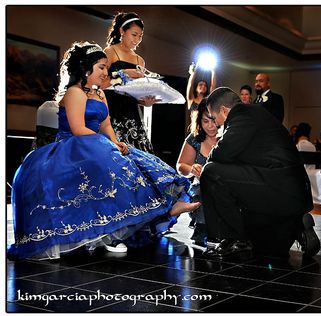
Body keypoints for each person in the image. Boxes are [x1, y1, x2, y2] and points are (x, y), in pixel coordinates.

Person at [7, 42, 200, 261]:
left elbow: (106, 126)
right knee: (109, 165)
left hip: (96, 143)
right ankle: (112, 232)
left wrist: (116, 143)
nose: (105, 73)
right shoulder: (74, 93)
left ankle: (164, 209)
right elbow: (79, 129)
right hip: (72, 146)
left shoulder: (100, 94)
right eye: (101, 67)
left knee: (136, 159)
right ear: (85, 69)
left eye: (106, 68)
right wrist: (107, 146)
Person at [200, 87, 319, 258]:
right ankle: (295, 225)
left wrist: (212, 153)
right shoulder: (257, 114)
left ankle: (233, 239)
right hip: (286, 191)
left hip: (279, 187)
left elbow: (221, 153)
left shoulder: (241, 114)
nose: (216, 123)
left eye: (214, 117)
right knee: (266, 248)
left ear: (224, 111)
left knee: (211, 172)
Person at [103, 12, 156, 153]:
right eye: (134, 34)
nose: (137, 40)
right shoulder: (110, 52)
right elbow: (100, 84)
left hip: (132, 113)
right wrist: (124, 74)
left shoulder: (140, 60)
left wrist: (145, 102)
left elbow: (135, 93)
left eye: (140, 36)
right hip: (111, 109)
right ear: (122, 31)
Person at [176, 99, 218, 245]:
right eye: (206, 121)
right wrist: (191, 169)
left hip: (226, 187)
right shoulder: (194, 138)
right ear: (199, 121)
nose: (211, 126)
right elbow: (181, 165)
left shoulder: (230, 137)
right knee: (201, 193)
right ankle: (203, 228)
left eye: (214, 120)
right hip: (201, 188)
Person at [186, 62, 216, 129]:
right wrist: (196, 69)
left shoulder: (207, 100)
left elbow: (213, 86)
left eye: (205, 85)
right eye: (200, 84)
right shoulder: (191, 100)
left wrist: (213, 70)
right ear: (196, 88)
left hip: (207, 130)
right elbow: (190, 85)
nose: (203, 86)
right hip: (194, 131)